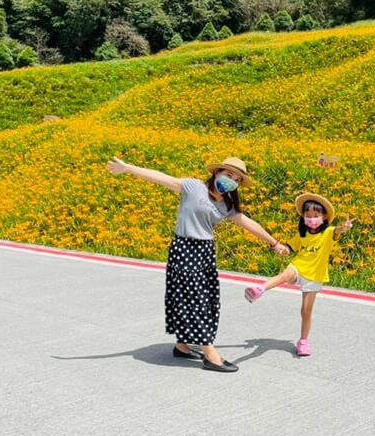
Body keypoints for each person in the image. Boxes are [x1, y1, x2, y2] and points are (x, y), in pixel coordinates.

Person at [107, 155, 288, 373]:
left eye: (237, 179)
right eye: (229, 174)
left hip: (205, 252)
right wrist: (129, 168)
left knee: (205, 298)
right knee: (196, 299)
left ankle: (182, 346)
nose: (232, 181)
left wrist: (275, 243)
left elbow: (248, 223)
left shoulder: (226, 204)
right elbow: (161, 178)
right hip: (185, 249)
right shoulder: (194, 187)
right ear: (217, 172)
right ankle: (209, 353)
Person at [244, 193, 354, 356]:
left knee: (305, 312)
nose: (311, 219)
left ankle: (303, 341)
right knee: (285, 275)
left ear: (323, 217)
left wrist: (344, 228)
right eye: (307, 216)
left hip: (314, 275)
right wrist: (283, 249)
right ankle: (260, 289)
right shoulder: (302, 234)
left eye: (315, 216)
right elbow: (290, 248)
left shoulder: (329, 232)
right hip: (299, 265)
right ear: (303, 217)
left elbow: (338, 231)